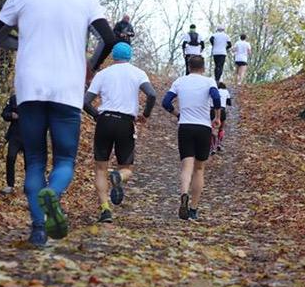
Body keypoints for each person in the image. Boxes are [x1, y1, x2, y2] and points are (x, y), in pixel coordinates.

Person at [0, 0, 114, 246]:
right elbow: (108, 38)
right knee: (64, 160)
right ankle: (53, 194)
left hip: (30, 90)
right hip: (67, 90)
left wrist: (23, 44)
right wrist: (91, 65)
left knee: (34, 160)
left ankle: (38, 230)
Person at [83, 42, 157, 223]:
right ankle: (119, 176)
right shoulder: (138, 73)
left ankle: (105, 210)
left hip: (105, 121)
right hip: (125, 123)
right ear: (129, 56)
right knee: (127, 168)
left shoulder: (103, 74)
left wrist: (96, 116)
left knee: (100, 168)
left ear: (114, 56)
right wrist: (146, 115)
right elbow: (152, 94)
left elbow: (85, 101)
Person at [161, 55, 222, 220]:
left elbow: (166, 102)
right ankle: (194, 209)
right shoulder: (209, 82)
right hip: (203, 127)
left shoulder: (180, 82)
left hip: (185, 127)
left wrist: (178, 114)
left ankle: (184, 194)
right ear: (203, 68)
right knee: (199, 169)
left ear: (189, 67)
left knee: (186, 167)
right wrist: (217, 117)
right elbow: (216, 98)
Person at [0, 93, 23, 195]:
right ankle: (10, 185)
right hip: (15, 135)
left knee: (30, 162)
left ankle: (30, 185)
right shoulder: (14, 98)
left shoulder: (35, 99)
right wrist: (11, 115)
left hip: (30, 136)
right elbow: (4, 114)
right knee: (10, 157)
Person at [212, 82, 232, 154]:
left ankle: (213, 148)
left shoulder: (215, 91)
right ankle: (219, 144)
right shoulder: (226, 91)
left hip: (213, 111)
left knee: (213, 129)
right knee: (221, 129)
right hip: (222, 111)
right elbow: (229, 103)